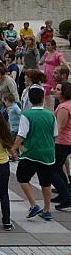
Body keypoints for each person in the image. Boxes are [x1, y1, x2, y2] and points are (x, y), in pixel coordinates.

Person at [11, 86, 57, 221]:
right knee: (46, 182)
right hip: (48, 153)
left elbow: (21, 135)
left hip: (31, 152)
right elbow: (55, 134)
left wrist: (14, 148)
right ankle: (47, 209)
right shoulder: (51, 115)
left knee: (22, 177)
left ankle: (33, 205)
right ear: (43, 98)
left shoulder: (27, 115)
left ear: (30, 100)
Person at [52, 82, 71, 211]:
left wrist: (51, 141)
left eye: (58, 90)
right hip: (67, 141)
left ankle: (66, 196)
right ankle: (64, 192)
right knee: (58, 167)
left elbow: (60, 127)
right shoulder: (67, 105)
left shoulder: (63, 107)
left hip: (62, 141)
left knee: (51, 169)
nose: (55, 91)